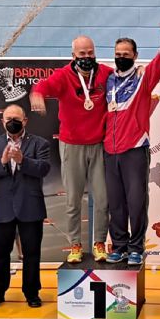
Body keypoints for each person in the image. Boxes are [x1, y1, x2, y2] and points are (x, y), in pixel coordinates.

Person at [104, 14, 160, 266]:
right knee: (115, 203)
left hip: (135, 149)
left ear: (135, 56)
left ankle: (136, 247)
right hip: (110, 150)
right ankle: (118, 246)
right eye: (118, 53)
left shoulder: (142, 77)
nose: (122, 56)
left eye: (127, 53)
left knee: (136, 201)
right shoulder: (107, 79)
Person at [29, 36, 112, 264]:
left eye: (90, 53)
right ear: (73, 55)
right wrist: (37, 94)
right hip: (72, 145)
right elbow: (43, 86)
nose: (86, 57)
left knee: (103, 200)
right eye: (82, 54)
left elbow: (125, 82)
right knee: (73, 200)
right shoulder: (64, 75)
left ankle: (99, 244)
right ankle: (75, 244)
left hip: (98, 144)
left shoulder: (105, 73)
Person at [0, 104, 51, 309]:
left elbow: (44, 168)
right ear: (2, 121)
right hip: (2, 208)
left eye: (16, 118)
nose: (12, 121)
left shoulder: (40, 143)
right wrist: (1, 162)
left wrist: (23, 161)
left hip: (30, 206)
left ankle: (31, 293)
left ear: (25, 120)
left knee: (32, 252)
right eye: (8, 118)